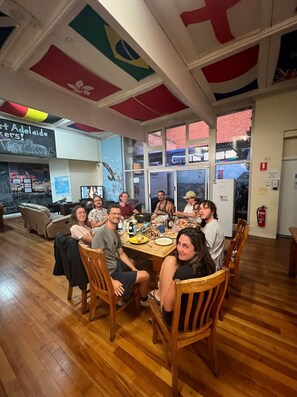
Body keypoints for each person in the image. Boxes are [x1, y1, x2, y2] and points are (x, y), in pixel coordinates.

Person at [149, 227, 216, 326]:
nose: (179, 249)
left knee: (169, 260)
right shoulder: (210, 264)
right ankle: (158, 293)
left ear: (197, 249)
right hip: (202, 317)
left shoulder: (183, 273)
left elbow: (167, 307)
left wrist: (165, 286)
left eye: (185, 246)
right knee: (171, 259)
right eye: (179, 244)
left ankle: (158, 294)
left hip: (180, 323)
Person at [92, 204, 150, 307]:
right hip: (109, 273)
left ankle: (125, 290)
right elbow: (96, 261)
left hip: (114, 265)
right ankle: (143, 300)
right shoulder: (100, 233)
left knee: (133, 262)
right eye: (114, 213)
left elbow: (121, 253)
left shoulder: (115, 233)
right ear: (108, 215)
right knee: (145, 275)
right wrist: (111, 281)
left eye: (118, 214)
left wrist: (134, 269)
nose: (117, 216)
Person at [199, 200, 225, 270]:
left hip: (210, 264)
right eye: (200, 209)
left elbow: (204, 246)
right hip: (214, 259)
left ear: (213, 211)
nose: (201, 211)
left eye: (205, 208)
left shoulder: (211, 226)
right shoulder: (212, 223)